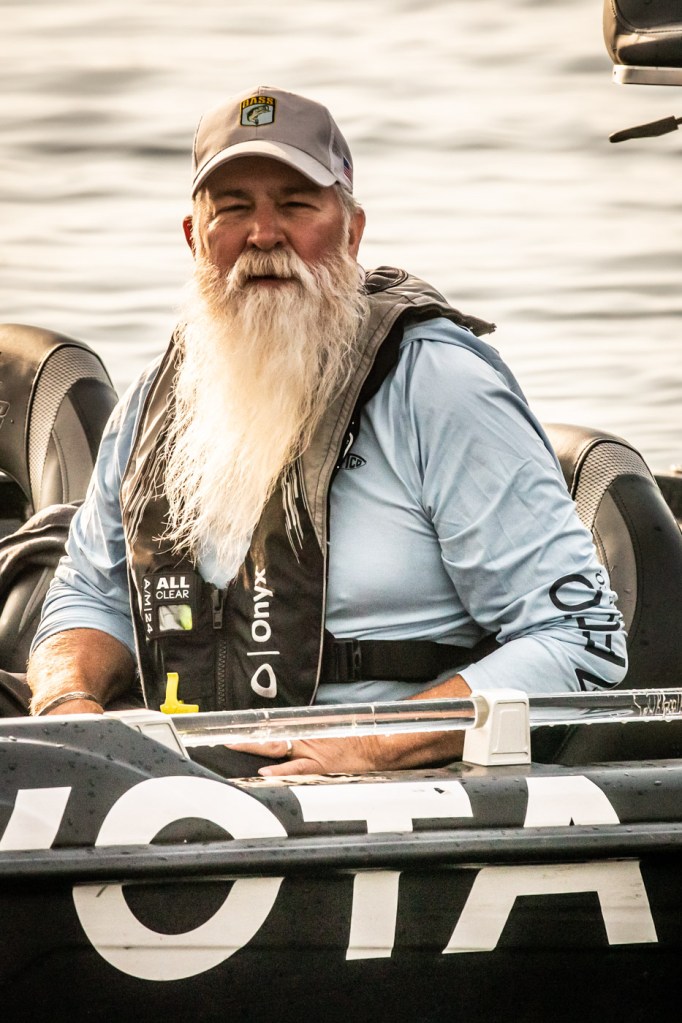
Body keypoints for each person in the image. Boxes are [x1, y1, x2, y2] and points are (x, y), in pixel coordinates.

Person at [26, 85, 627, 775]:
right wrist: (70, 707)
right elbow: (90, 595)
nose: (264, 235)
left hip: (384, 789)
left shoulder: (438, 385)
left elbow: (580, 637)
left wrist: (367, 746)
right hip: (176, 779)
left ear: (352, 231)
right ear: (194, 238)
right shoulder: (151, 403)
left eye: (295, 204)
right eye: (233, 208)